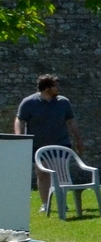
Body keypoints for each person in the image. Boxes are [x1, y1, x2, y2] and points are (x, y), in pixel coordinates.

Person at [15, 74, 82, 203]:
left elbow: (71, 121)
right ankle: (46, 204)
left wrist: (79, 139)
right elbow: (20, 120)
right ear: (46, 88)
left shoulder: (63, 102)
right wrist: (20, 138)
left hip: (60, 144)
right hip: (38, 145)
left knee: (61, 174)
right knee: (43, 175)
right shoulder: (29, 102)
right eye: (55, 86)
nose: (58, 88)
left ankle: (62, 203)